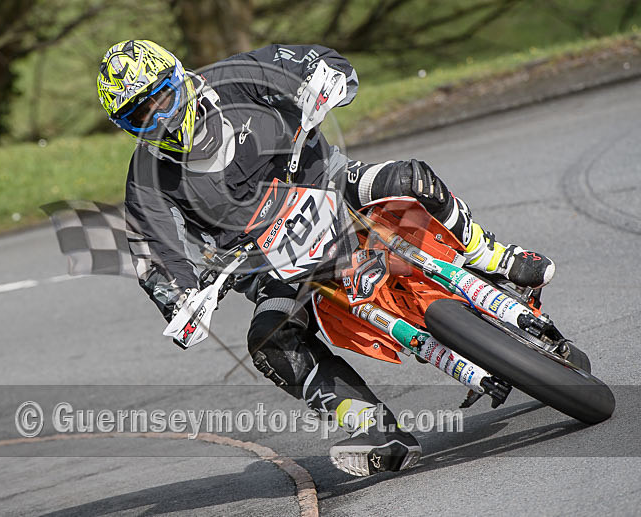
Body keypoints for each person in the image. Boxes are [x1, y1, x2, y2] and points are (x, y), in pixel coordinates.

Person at [96, 40, 555, 476]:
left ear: (181, 78)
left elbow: (314, 62)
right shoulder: (146, 185)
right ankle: (373, 427)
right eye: (140, 114)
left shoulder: (238, 77)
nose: (158, 115)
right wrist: (180, 301)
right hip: (269, 263)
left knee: (411, 178)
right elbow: (155, 255)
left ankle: (490, 253)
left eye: (161, 97)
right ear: (127, 127)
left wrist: (326, 79)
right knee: (269, 341)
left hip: (333, 186)